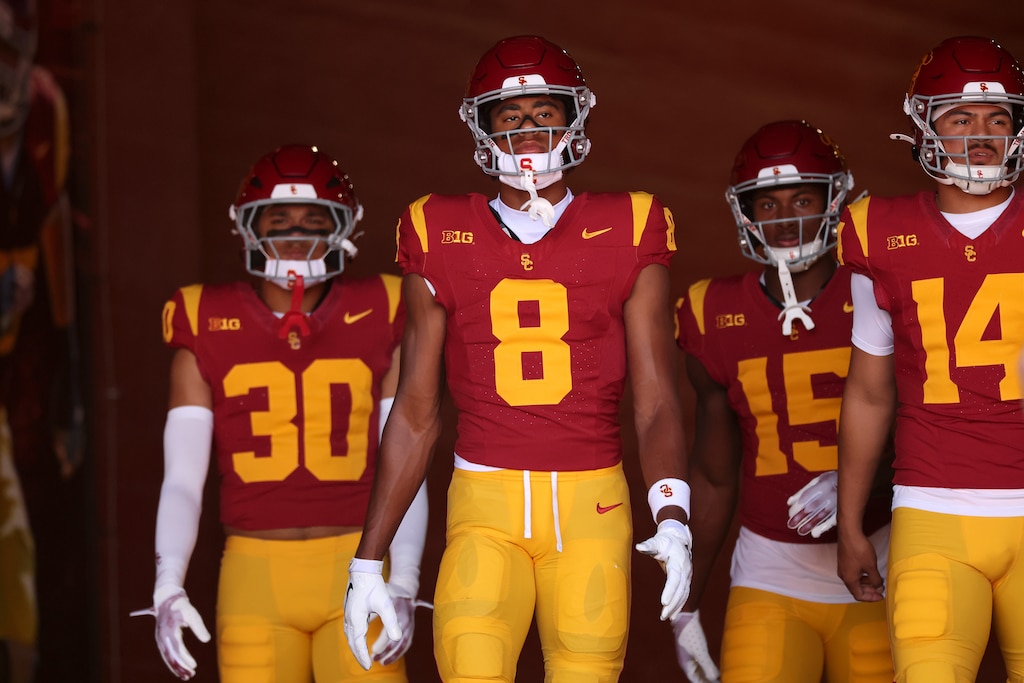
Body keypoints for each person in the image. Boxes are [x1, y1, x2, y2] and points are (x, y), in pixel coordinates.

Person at [342, 35, 693, 682]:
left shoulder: (632, 223)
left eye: (543, 112)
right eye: (509, 115)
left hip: (593, 507)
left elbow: (656, 398)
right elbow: (417, 411)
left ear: (573, 117)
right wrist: (369, 558)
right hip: (483, 505)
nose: (528, 129)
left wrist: (672, 510)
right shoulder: (434, 227)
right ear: (481, 124)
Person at [135, 144, 428, 682]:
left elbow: (405, 457)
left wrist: (404, 577)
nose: (295, 233)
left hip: (358, 562)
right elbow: (181, 478)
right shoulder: (202, 317)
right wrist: (168, 581)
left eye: (316, 219)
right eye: (278, 219)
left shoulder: (386, 306)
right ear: (247, 225)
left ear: (345, 227)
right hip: (255, 573)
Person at [673, 120, 894, 683]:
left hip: (883, 560)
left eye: (802, 198)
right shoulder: (709, 313)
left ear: (834, 199)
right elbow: (716, 476)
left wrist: (864, 479)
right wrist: (689, 603)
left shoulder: (880, 288)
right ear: (745, 214)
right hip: (771, 570)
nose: (787, 217)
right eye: (767, 203)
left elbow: (935, 422)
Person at [836, 35, 1024, 682]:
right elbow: (868, 391)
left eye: (999, 117)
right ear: (924, 126)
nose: (981, 133)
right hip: (934, 508)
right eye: (959, 117)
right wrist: (850, 520)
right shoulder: (878, 230)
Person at [0, 1, 82, 681]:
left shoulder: (44, 109)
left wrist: (67, 365)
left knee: (19, 520)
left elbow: (50, 218)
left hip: (14, 351)